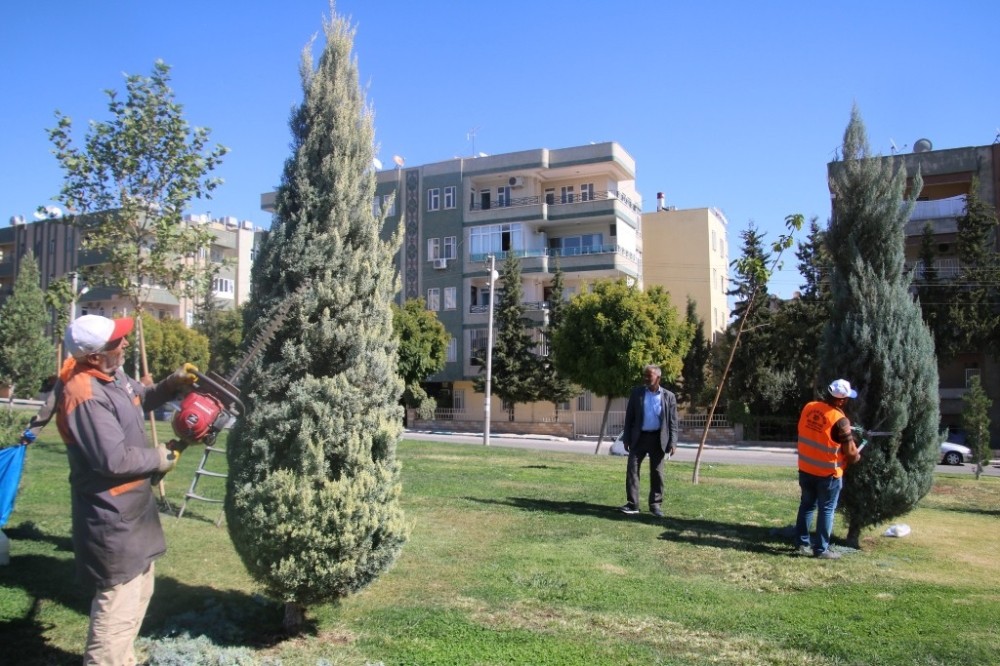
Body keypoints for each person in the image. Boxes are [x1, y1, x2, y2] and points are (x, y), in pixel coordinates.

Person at [54, 314, 197, 665]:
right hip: (110, 518)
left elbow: (140, 398)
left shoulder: (112, 376)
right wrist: (159, 457)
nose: (126, 344)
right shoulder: (83, 393)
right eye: (118, 342)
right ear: (95, 355)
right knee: (115, 614)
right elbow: (112, 459)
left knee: (138, 598)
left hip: (134, 513)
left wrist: (172, 383)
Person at [794, 378, 862, 560]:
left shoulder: (809, 407)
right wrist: (856, 455)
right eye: (847, 398)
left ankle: (801, 543)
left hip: (806, 469)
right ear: (841, 400)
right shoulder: (841, 421)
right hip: (828, 475)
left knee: (807, 505)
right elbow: (850, 452)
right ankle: (821, 549)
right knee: (826, 510)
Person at [619, 364, 679, 517]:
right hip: (638, 439)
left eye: (649, 376)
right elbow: (629, 418)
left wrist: (673, 442)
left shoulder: (668, 396)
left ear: (658, 378)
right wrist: (626, 438)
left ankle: (655, 505)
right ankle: (633, 504)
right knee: (632, 471)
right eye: (644, 375)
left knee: (657, 473)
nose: (645, 378)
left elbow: (673, 422)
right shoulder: (637, 393)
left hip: (658, 439)